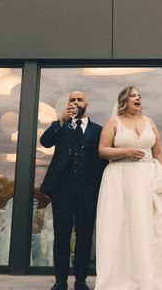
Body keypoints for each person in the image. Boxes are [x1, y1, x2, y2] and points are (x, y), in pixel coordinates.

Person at [95, 86, 162, 290]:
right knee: (127, 224)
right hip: (122, 178)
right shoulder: (114, 122)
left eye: (139, 96)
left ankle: (156, 275)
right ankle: (125, 277)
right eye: (133, 96)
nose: (138, 99)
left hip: (148, 177)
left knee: (155, 225)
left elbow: (159, 151)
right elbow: (102, 150)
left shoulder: (149, 122)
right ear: (124, 101)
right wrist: (125, 151)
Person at [39, 91, 106, 290]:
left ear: (87, 104)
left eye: (79, 99)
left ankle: (80, 280)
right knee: (62, 236)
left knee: (85, 236)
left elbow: (103, 158)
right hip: (63, 190)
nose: (75, 102)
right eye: (72, 99)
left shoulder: (98, 130)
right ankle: (60, 281)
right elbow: (45, 142)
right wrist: (60, 121)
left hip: (88, 190)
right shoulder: (60, 126)